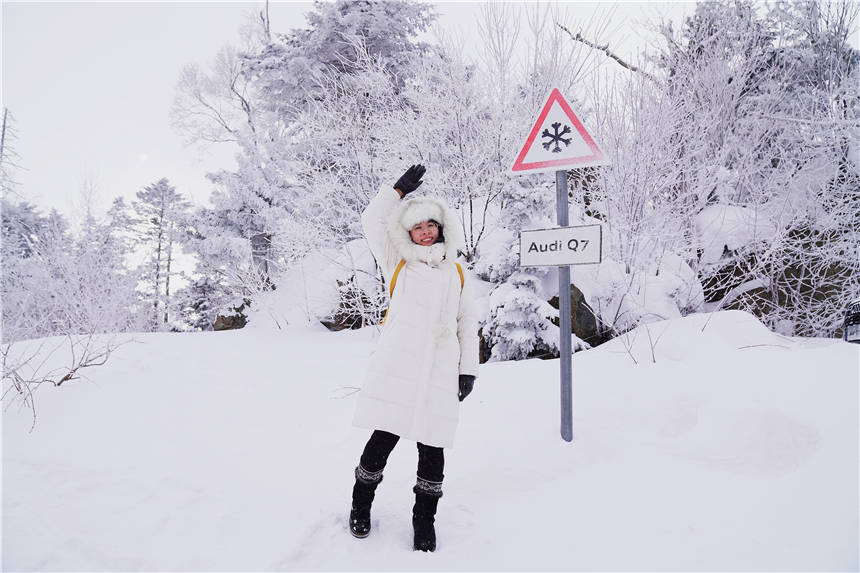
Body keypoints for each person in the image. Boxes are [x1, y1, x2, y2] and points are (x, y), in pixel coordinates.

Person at [349, 164, 479, 552]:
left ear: (441, 228)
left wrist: (467, 370)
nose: (425, 231)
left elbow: (466, 320)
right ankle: (360, 505)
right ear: (408, 232)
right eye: (418, 227)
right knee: (381, 440)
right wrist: (397, 191)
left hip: (440, 371)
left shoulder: (457, 271)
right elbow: (371, 219)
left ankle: (424, 521)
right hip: (399, 367)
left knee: (433, 450)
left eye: (431, 225)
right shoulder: (398, 263)